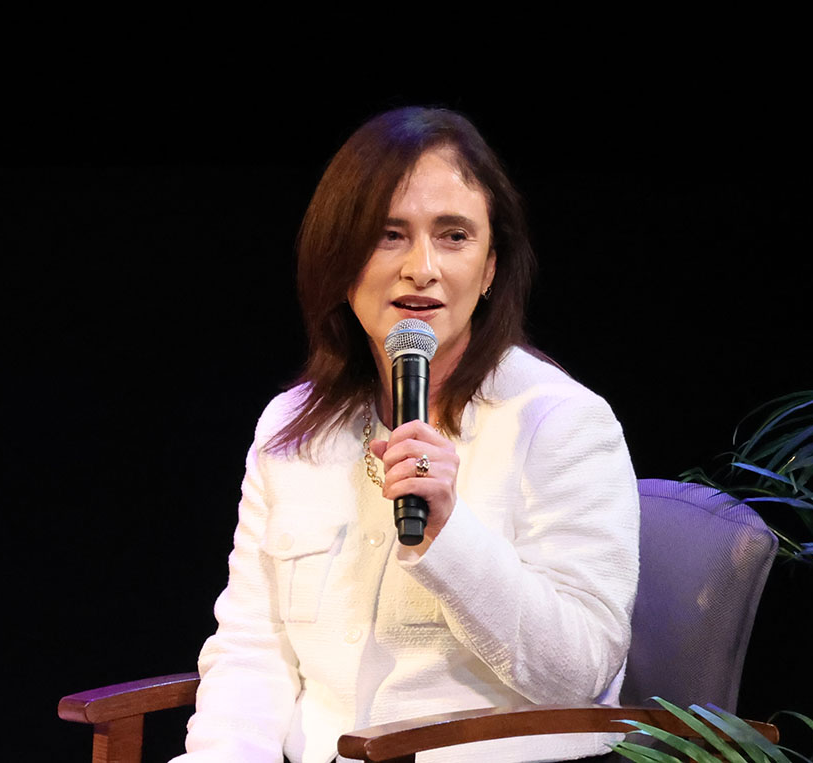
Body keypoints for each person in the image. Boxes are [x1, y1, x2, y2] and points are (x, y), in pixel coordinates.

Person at [172, 107, 640, 762]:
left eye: (454, 236)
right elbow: (253, 649)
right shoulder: (291, 427)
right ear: (340, 260)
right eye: (390, 235)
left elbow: (581, 673)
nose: (422, 268)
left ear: (489, 269)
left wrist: (452, 533)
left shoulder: (562, 423)